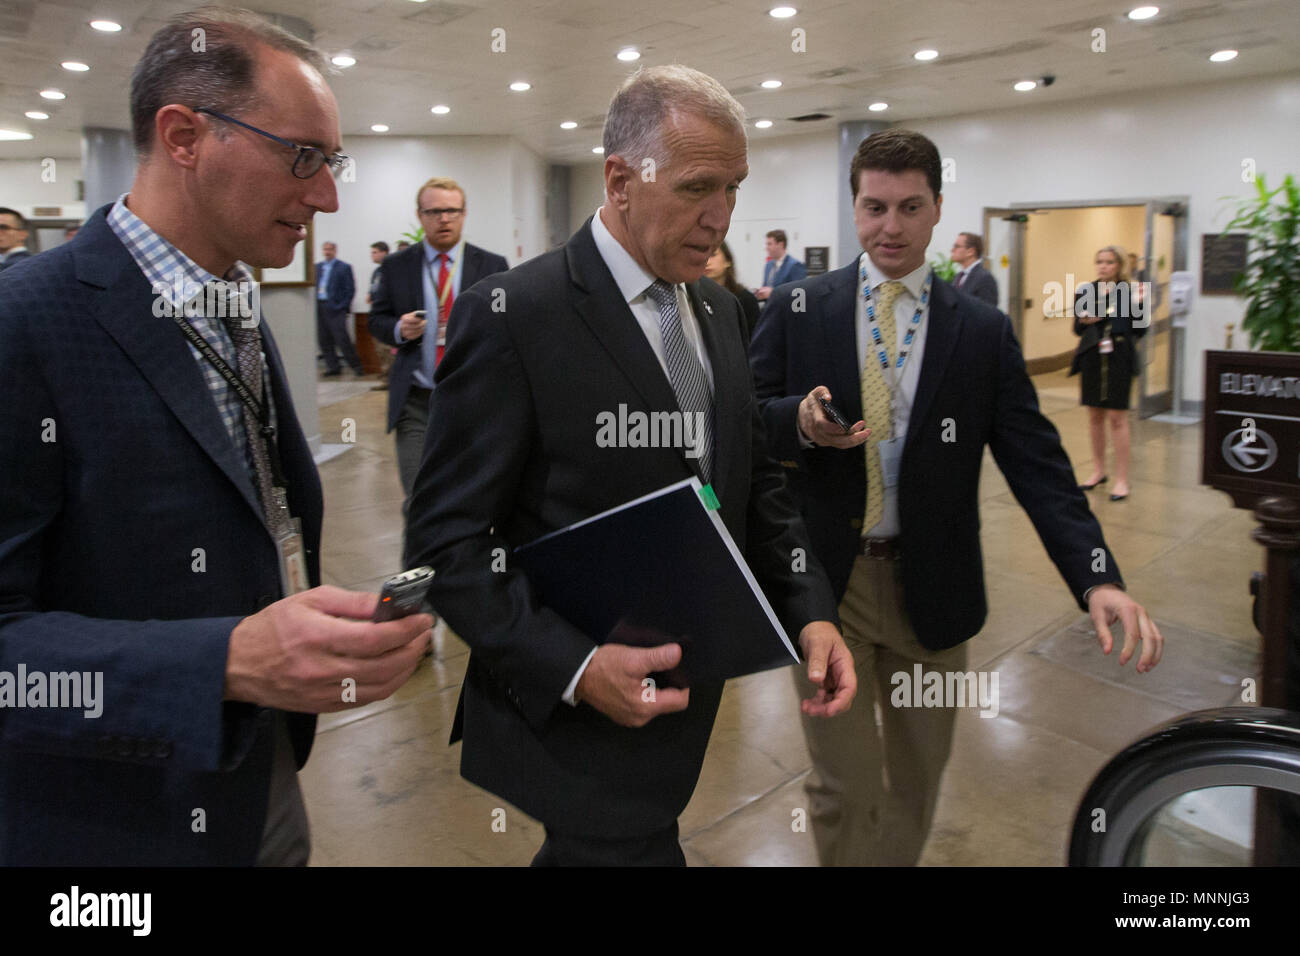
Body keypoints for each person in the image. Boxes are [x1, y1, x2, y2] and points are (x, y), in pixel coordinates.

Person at [0, 6, 431, 866]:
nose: (327, 195)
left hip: (255, 771)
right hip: (111, 824)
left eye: (332, 161)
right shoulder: (26, 323)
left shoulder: (233, 305)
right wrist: (223, 661)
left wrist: (304, 627)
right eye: (302, 156)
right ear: (184, 135)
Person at [405, 64, 856, 866]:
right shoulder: (518, 316)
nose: (720, 217)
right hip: (577, 718)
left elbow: (750, 480)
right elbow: (445, 547)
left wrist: (809, 607)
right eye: (696, 188)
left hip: (687, 697)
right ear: (620, 179)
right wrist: (574, 667)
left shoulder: (720, 308)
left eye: (734, 188)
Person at [750, 128, 1164, 867]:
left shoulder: (978, 330)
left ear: (938, 208)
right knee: (844, 783)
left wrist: (1096, 572)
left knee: (915, 779)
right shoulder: (800, 307)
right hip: (827, 590)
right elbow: (747, 421)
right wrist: (799, 423)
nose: (892, 227)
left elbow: (1038, 464)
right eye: (875, 207)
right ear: (854, 208)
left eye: (911, 207)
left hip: (932, 590)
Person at [368, 177, 508, 517]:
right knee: (418, 499)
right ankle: (422, 567)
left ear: (463, 214)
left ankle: (462, 566)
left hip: (470, 400)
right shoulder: (395, 266)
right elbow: (377, 320)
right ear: (420, 215)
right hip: (416, 401)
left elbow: (509, 327)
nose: (443, 219)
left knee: (473, 497)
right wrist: (399, 328)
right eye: (434, 211)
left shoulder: (492, 266)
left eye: (451, 211)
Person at [1072, 245, 1147, 502]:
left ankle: (1122, 478)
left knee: (1117, 417)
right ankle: (1098, 471)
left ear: (1119, 265)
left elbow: (1141, 329)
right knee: (1094, 415)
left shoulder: (1132, 290)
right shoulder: (1086, 290)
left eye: (1109, 262)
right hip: (1093, 356)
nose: (1103, 266)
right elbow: (1077, 327)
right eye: (1099, 261)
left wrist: (1127, 311)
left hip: (1119, 357)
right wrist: (1085, 319)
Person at [315, 240, 360, 376]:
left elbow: (350, 289)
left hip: (335, 307)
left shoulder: (343, 267)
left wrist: (342, 306)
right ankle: (333, 367)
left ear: (335, 251)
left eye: (330, 249)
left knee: (342, 338)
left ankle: (356, 366)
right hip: (319, 305)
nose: (327, 252)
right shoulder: (317, 267)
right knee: (323, 339)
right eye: (325, 249)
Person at [705, 239, 760, 340]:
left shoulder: (745, 299)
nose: (707, 261)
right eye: (703, 255)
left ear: (727, 261)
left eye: (713, 255)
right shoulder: (695, 300)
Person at [755, 228, 806, 302]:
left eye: (769, 244)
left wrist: (773, 293)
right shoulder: (768, 265)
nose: (766, 248)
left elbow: (799, 294)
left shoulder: (795, 266)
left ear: (781, 245)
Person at [949, 231, 998, 306]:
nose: (952, 250)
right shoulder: (958, 276)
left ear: (970, 251)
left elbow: (988, 312)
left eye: (957, 246)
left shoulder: (985, 278)